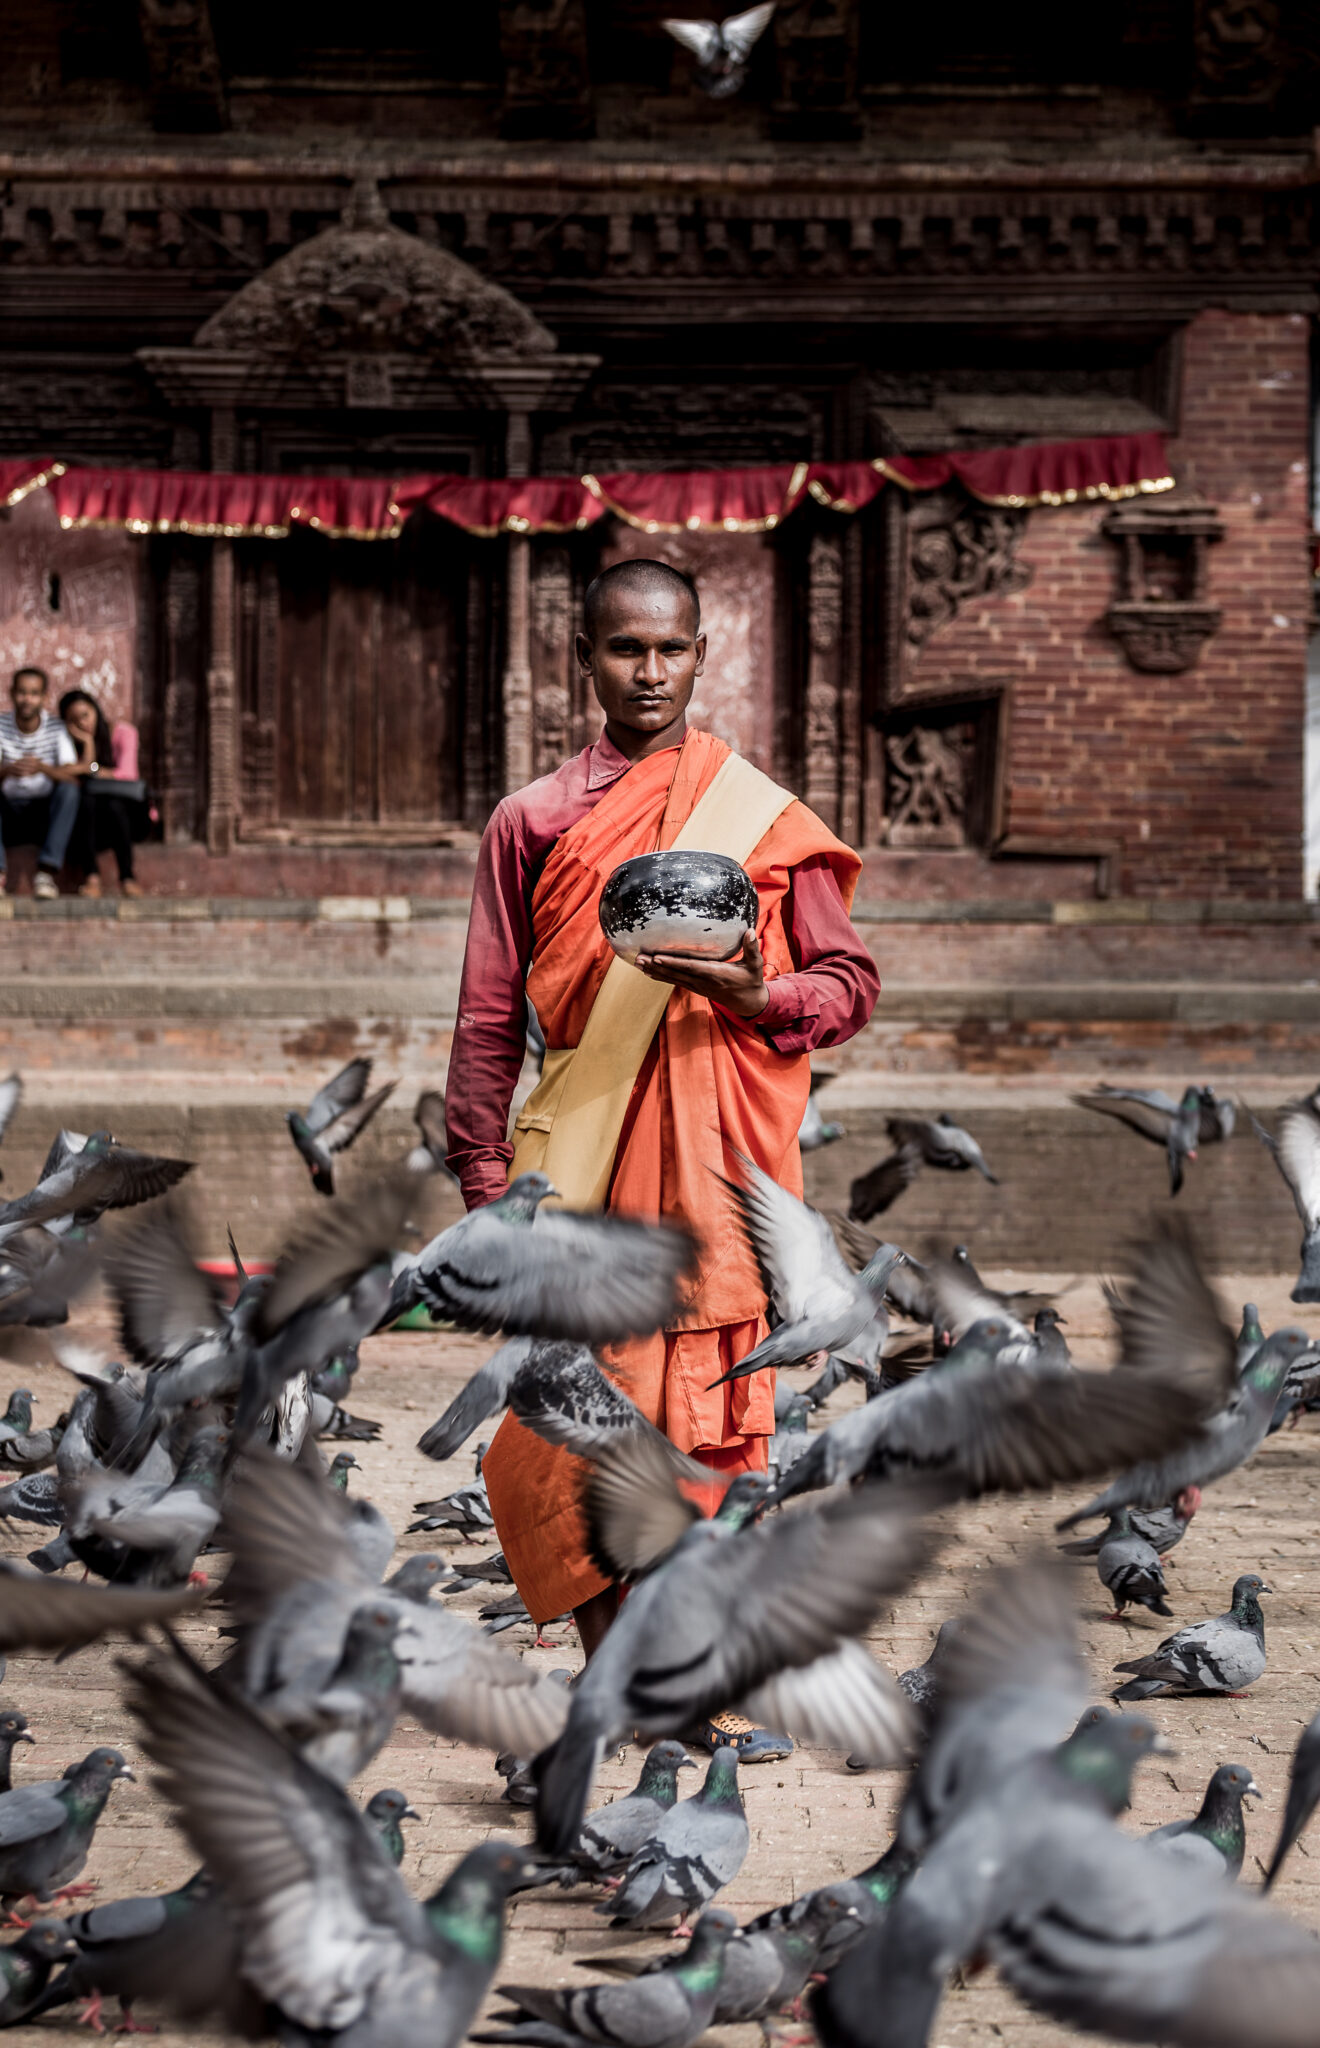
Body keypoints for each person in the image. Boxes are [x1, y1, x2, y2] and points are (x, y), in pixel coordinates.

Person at [444, 557, 880, 1761]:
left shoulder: (758, 817)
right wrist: (486, 1186)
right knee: (558, 1427)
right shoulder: (532, 821)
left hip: (723, 1174)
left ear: (700, 652)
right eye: (624, 648)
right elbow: (489, 1018)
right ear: (584, 657)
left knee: (708, 1425)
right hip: (580, 1172)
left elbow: (846, 986)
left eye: (671, 648)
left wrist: (757, 988)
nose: (649, 670)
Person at [0, 667, 80, 899]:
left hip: (43, 816)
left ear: (44, 697)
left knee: (69, 791)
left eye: (34, 693)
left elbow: (71, 776)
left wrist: (42, 768)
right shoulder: (1, 726)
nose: (27, 699)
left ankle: (45, 874)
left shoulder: (56, 728)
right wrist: (7, 771)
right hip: (9, 814)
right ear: (12, 693)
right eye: (22, 692)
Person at [58, 688, 146, 899]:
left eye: (86, 715)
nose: (83, 723)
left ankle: (127, 877)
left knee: (114, 804)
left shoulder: (124, 733)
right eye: (74, 720)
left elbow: (128, 773)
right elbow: (62, 774)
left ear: (96, 710)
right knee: (86, 800)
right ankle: (92, 877)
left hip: (130, 816)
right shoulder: (69, 744)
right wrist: (87, 743)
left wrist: (92, 769)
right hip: (91, 822)